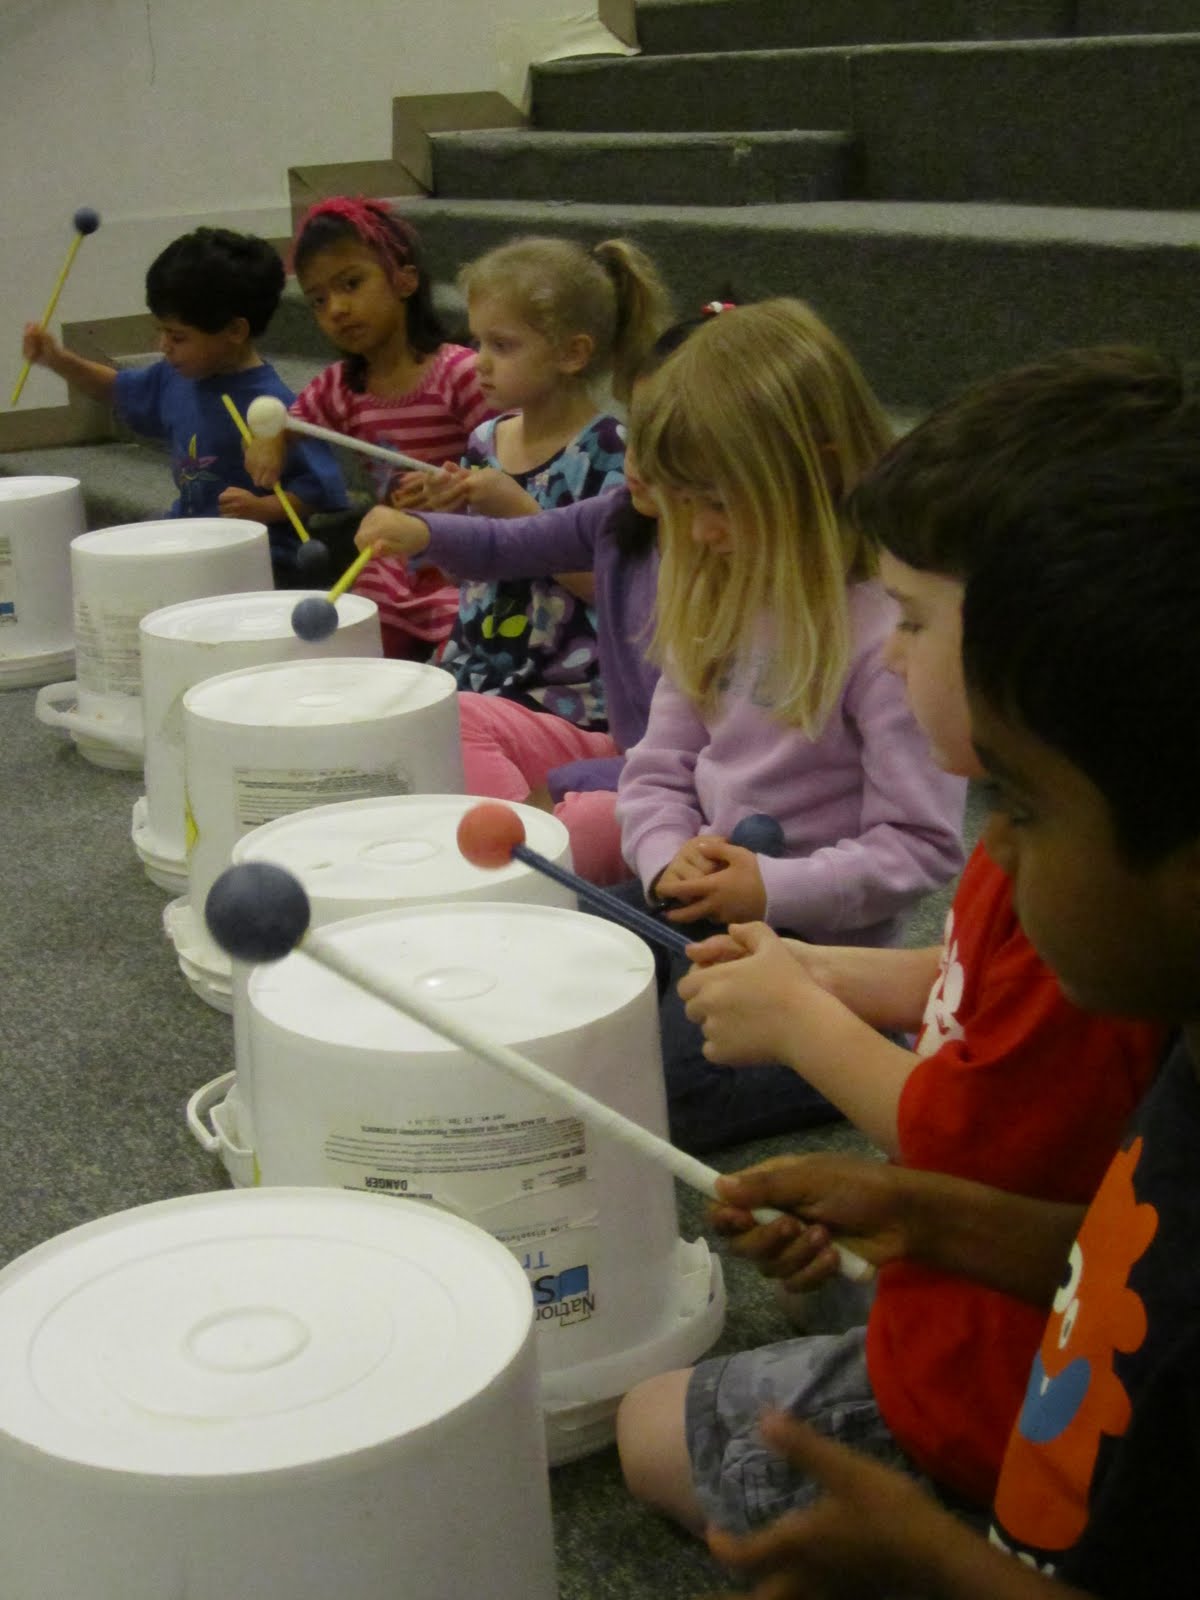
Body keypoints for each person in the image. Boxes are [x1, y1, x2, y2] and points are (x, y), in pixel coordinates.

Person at [617, 348, 1168, 1542]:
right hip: (979, 1290)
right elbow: (968, 985)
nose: (896, 647)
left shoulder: (1090, 888)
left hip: (1001, 1404)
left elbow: (976, 1132)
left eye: (914, 618)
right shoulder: (1051, 837)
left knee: (643, 1427)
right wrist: (823, 973)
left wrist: (807, 1023)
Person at [611, 298, 966, 1152]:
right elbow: (655, 770)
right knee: (560, 968)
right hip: (704, 912)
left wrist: (768, 889)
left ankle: (866, 1045)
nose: (698, 531)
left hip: (818, 949)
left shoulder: (889, 634)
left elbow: (919, 850)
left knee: (665, 1093)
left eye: (719, 502)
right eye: (685, 501)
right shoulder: (716, 594)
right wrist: (667, 860)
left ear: (822, 471)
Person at [353, 317, 703, 884]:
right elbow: (507, 545)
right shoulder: (621, 516)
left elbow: (703, 770)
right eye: (641, 433)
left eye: (666, 443)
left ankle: (512, 878)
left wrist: (567, 787)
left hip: (688, 786)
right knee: (453, 714)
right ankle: (510, 870)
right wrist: (422, 530)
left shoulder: (741, 576)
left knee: (586, 822)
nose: (635, 462)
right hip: (627, 747)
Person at [356, 233, 671, 798]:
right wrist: (443, 520)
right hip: (482, 662)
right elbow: (472, 574)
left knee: (452, 760)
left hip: (565, 687)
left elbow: (621, 589)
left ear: (572, 353)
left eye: (503, 346)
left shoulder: (613, 449)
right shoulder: (485, 439)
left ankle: (526, 835)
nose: (478, 364)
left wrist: (515, 507)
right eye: (478, 342)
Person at [22, 227, 346, 584]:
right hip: (193, 534)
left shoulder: (273, 407)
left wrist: (263, 509)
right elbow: (115, 388)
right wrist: (58, 360)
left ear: (235, 332)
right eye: (161, 331)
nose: (163, 345)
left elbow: (319, 490)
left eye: (178, 337)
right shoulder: (175, 377)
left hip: (258, 556)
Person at [244, 197, 490, 653]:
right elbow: (284, 424)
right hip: (393, 565)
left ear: (404, 279)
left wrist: (455, 483)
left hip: (465, 563)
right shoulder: (340, 387)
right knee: (342, 650)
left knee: (462, 655)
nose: (336, 308)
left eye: (352, 284)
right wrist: (268, 442)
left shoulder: (460, 374)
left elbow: (512, 464)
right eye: (318, 300)